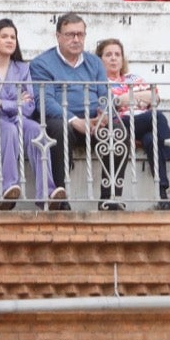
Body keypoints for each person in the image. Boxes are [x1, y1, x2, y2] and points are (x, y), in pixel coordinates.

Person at [28, 13, 105, 208]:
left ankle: (110, 197)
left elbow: (105, 93)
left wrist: (103, 115)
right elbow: (45, 101)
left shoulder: (94, 62)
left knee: (119, 132)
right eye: (70, 34)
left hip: (93, 121)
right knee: (59, 129)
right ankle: (60, 198)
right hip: (63, 120)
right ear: (58, 36)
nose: (76, 39)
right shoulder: (42, 63)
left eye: (80, 34)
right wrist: (74, 120)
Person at [0, 19, 51, 210]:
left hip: (18, 120)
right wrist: (15, 103)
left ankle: (46, 192)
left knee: (36, 130)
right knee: (7, 130)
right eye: (4, 36)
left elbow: (29, 106)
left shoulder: (23, 69)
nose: (10, 40)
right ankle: (6, 189)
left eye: (13, 37)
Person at [97, 38, 170, 209]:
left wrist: (126, 99)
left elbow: (154, 97)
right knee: (156, 117)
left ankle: (163, 196)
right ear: (100, 60)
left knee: (152, 139)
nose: (114, 58)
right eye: (108, 55)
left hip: (142, 124)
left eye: (117, 54)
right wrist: (137, 97)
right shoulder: (100, 82)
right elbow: (111, 104)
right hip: (120, 124)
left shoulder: (133, 77)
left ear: (123, 59)